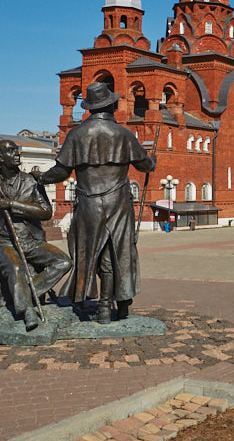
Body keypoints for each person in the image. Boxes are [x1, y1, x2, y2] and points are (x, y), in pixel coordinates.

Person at [38, 81, 156, 324]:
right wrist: (152, 160)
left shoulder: (76, 134)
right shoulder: (124, 134)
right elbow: (145, 165)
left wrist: (40, 178)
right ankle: (112, 305)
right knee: (118, 253)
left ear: (90, 107)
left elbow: (61, 172)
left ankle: (93, 301)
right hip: (119, 204)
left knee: (90, 253)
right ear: (112, 105)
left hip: (88, 204)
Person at [0, 140, 72, 331]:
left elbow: (45, 212)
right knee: (16, 269)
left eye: (17, 150)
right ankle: (27, 311)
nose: (18, 154)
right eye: (12, 151)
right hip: (5, 242)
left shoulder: (31, 181)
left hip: (31, 241)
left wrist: (13, 205)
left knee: (63, 262)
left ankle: (27, 296)